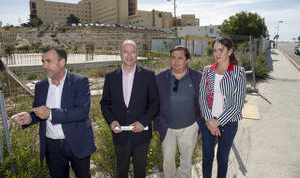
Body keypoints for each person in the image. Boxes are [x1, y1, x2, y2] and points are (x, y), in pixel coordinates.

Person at [11, 46, 96, 178]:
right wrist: (29, 118)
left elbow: (82, 112)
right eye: (43, 61)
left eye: (48, 61)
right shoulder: (40, 86)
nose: (44, 65)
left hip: (77, 142)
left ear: (62, 62)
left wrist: (51, 113)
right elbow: (39, 113)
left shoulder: (79, 81)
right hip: (52, 147)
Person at [100, 40, 160, 178]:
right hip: (120, 134)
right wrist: (111, 121)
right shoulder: (111, 77)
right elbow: (104, 103)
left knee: (140, 171)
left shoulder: (148, 75)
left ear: (137, 54)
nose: (129, 55)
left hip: (141, 134)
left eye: (133, 52)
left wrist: (143, 122)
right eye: (126, 51)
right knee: (121, 170)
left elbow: (155, 103)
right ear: (120, 54)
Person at [199, 37, 246, 178]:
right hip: (207, 122)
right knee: (207, 157)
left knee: (222, 158)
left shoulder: (238, 72)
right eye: (215, 50)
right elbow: (202, 96)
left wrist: (217, 122)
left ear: (230, 51)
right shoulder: (207, 70)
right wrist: (209, 121)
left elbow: (237, 104)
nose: (217, 53)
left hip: (229, 123)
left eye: (221, 50)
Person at [154, 46, 202, 178]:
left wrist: (199, 122)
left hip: (189, 127)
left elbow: (204, 100)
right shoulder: (160, 78)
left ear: (187, 60)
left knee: (186, 162)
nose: (176, 61)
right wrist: (157, 124)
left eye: (180, 58)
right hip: (167, 127)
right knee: (168, 162)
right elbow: (155, 103)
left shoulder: (198, 77)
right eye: (173, 58)